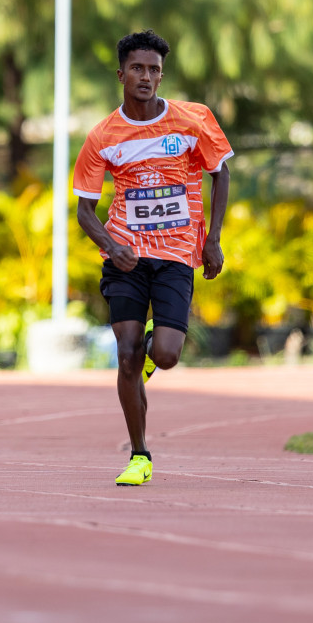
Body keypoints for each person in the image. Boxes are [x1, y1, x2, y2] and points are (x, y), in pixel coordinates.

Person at [73, 30, 232, 487]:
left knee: (164, 356)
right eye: (138, 69)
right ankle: (139, 454)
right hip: (126, 256)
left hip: (178, 255)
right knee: (126, 355)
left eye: (154, 70)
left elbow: (221, 174)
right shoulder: (103, 135)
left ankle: (149, 350)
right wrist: (110, 244)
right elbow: (84, 210)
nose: (146, 77)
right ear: (121, 74)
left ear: (162, 75)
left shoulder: (193, 120)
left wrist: (213, 239)